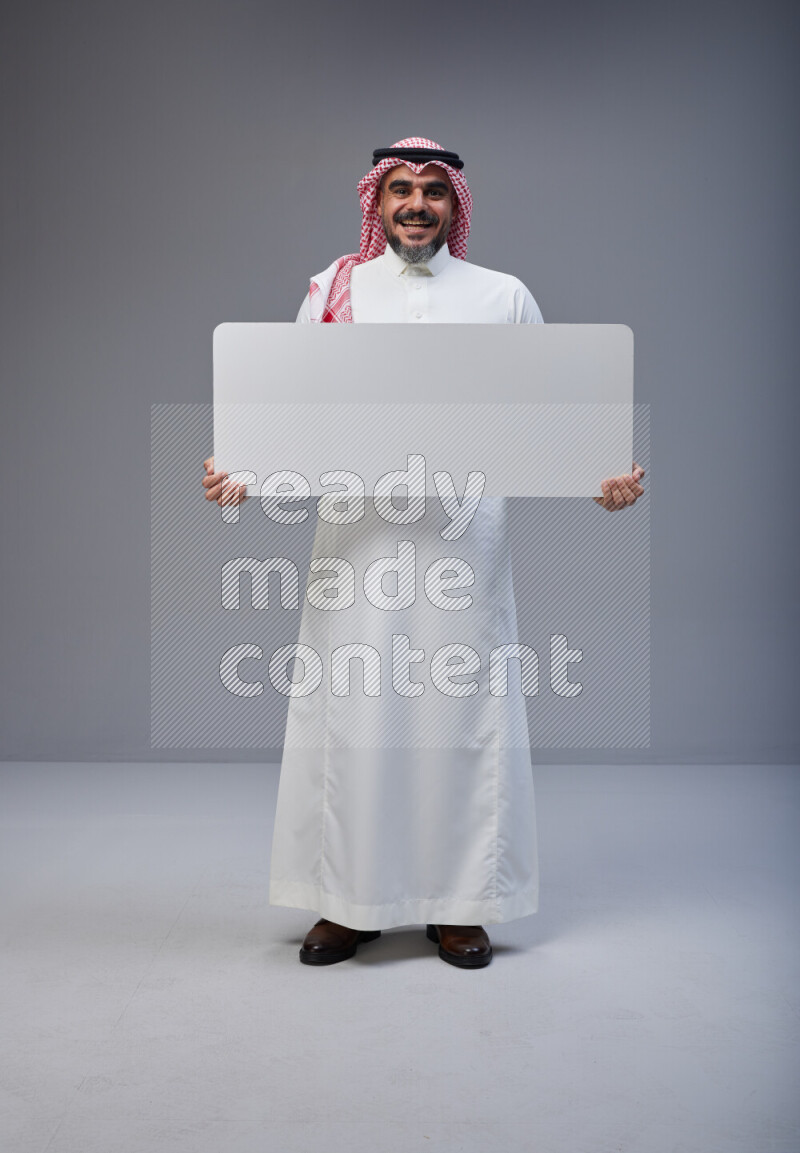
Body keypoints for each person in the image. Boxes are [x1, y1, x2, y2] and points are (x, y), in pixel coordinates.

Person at [202, 137, 645, 969]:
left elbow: (555, 420)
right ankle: (347, 901)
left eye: (433, 191)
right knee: (354, 718)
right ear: (376, 201)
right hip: (356, 546)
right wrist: (244, 474)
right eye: (400, 188)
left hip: (461, 548)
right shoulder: (335, 290)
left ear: (455, 204)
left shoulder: (503, 296)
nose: (415, 203)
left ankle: (459, 904)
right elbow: (291, 413)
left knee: (458, 717)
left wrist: (601, 479)